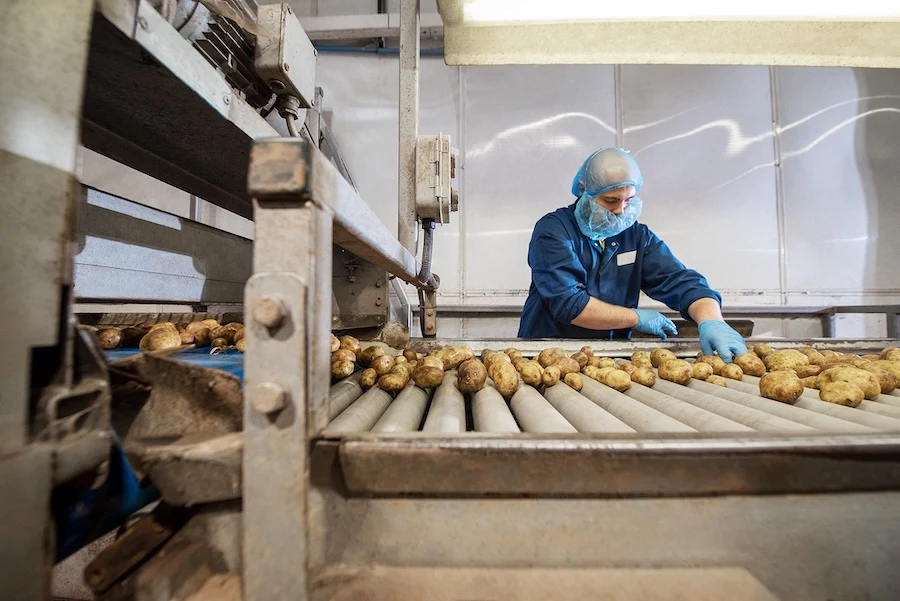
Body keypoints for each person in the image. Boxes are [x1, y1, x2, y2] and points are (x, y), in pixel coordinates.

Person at [518, 148, 748, 363]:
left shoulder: (636, 235)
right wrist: (636, 318)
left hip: (608, 358)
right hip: (550, 355)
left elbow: (680, 282)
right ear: (585, 190)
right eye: (610, 200)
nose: (620, 211)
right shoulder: (554, 231)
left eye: (628, 200)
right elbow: (569, 304)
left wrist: (712, 320)